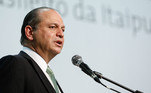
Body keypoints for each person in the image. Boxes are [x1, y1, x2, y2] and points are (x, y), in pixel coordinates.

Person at [0, 7, 65, 93]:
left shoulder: (49, 76)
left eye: (63, 30)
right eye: (52, 27)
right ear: (30, 32)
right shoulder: (15, 64)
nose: (61, 34)